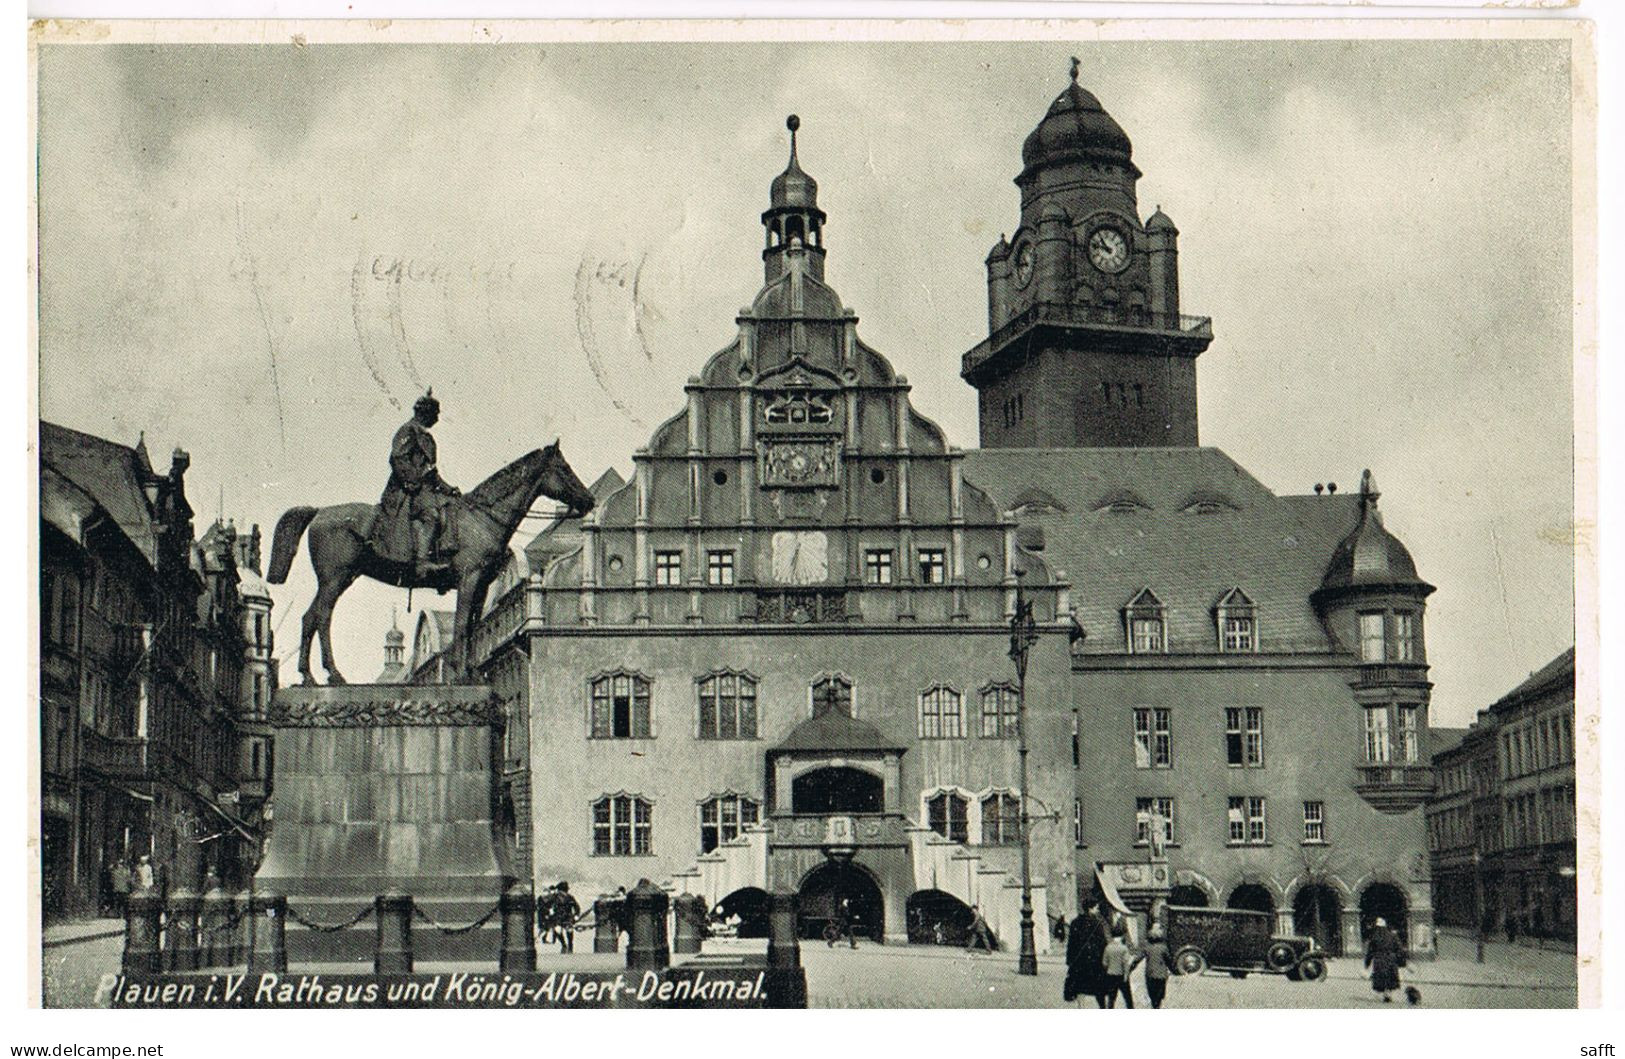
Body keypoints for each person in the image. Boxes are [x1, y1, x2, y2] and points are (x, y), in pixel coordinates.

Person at [375, 390, 461, 581]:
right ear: (425, 413)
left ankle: (443, 555)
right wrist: (411, 482)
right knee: (430, 514)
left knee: (450, 506)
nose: (437, 419)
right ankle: (422, 563)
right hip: (405, 490)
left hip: (422, 489)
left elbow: (431, 472)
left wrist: (449, 489)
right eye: (435, 414)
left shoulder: (426, 437)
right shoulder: (408, 430)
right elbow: (398, 458)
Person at [1063, 898, 1109, 1006]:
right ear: (1090, 909)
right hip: (1095, 961)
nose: (1097, 910)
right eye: (1096, 908)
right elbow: (1103, 943)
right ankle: (1102, 1007)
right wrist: (1105, 960)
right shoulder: (1097, 924)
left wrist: (1070, 960)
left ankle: (1081, 1007)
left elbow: (1071, 943)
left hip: (1079, 961)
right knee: (1098, 987)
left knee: (1080, 987)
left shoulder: (1075, 922)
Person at [1100, 922, 1143, 1008]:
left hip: (1111, 975)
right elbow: (1125, 964)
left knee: (1111, 999)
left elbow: (1104, 963)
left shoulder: (1108, 947)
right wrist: (1126, 975)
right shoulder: (1124, 948)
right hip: (1121, 975)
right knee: (1128, 998)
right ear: (1121, 936)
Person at [1364, 916, 1405, 1002]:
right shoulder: (1393, 935)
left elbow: (1370, 952)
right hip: (1391, 959)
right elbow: (1399, 949)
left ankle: (1383, 994)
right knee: (1390, 977)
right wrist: (1401, 961)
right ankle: (1388, 994)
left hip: (1379, 959)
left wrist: (1367, 964)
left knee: (1381, 978)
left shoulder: (1374, 937)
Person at [1141, 923, 1174, 1008]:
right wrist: (1173, 970)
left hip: (1150, 974)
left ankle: (1154, 1006)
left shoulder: (1147, 948)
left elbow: (1138, 958)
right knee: (1159, 996)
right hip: (1161, 974)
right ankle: (1157, 1007)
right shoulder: (1163, 948)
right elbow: (1168, 961)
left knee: (1152, 994)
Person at [553, 881, 580, 953]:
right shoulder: (554, 897)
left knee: (569, 930)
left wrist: (576, 915)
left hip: (568, 916)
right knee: (558, 930)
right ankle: (564, 945)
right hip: (558, 916)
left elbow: (576, 907)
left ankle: (570, 946)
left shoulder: (570, 897)